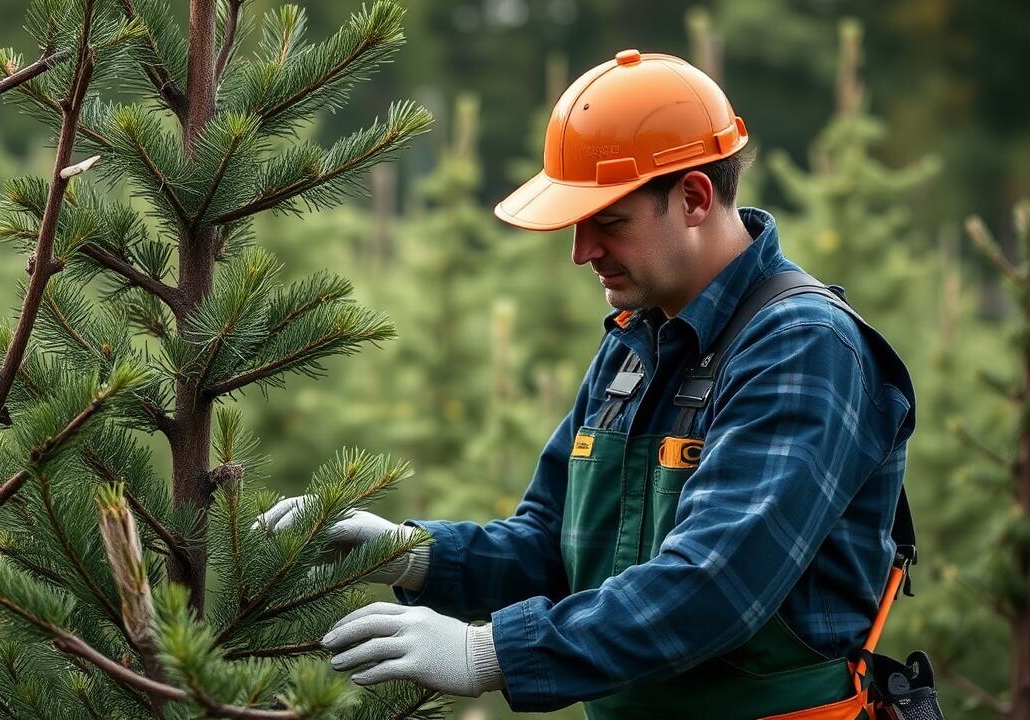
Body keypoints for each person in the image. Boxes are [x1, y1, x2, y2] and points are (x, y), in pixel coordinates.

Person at [256, 50, 916, 719]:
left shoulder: (801, 346)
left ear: (693, 198)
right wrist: (412, 556)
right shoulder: (636, 344)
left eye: (610, 220)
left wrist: (490, 654)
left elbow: (716, 586)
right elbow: (552, 545)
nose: (582, 250)